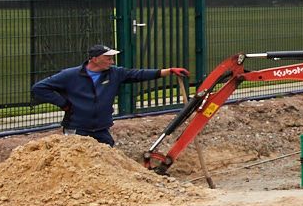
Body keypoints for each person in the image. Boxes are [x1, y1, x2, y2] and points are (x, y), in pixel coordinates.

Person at [30, 45, 187, 145]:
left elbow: (137, 74)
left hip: (101, 128)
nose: (111, 61)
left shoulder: (115, 73)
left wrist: (168, 71)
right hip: (77, 128)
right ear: (94, 59)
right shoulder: (70, 75)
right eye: (108, 58)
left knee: (108, 158)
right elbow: (39, 88)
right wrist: (63, 103)